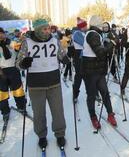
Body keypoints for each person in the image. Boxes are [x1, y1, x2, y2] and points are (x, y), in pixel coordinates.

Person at [16, 19, 69, 149]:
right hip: (36, 85)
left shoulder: (54, 40)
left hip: (54, 83)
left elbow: (61, 54)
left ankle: (60, 134)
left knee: (58, 111)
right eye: (44, 29)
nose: (47, 31)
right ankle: (41, 135)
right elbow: (18, 63)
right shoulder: (27, 42)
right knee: (39, 113)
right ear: (38, 30)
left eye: (48, 28)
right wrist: (24, 63)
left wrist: (66, 59)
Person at [81, 15, 117, 129]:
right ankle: (93, 117)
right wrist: (111, 45)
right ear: (96, 24)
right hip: (90, 72)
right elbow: (100, 52)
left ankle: (110, 114)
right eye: (101, 23)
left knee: (105, 93)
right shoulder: (92, 34)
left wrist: (109, 43)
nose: (102, 25)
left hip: (98, 70)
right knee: (91, 95)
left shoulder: (96, 34)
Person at [0, 27, 26, 121]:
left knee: (18, 91)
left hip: (13, 69)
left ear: (4, 34)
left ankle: (21, 107)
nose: (0, 35)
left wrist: (23, 40)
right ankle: (5, 111)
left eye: (1, 33)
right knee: (2, 94)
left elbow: (20, 47)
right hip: (1, 71)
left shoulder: (11, 43)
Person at [71, 17, 88, 102]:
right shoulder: (77, 33)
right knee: (79, 76)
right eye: (85, 26)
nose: (87, 27)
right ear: (82, 26)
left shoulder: (84, 33)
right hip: (79, 56)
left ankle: (93, 93)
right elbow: (84, 43)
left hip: (85, 56)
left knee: (88, 76)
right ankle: (75, 94)